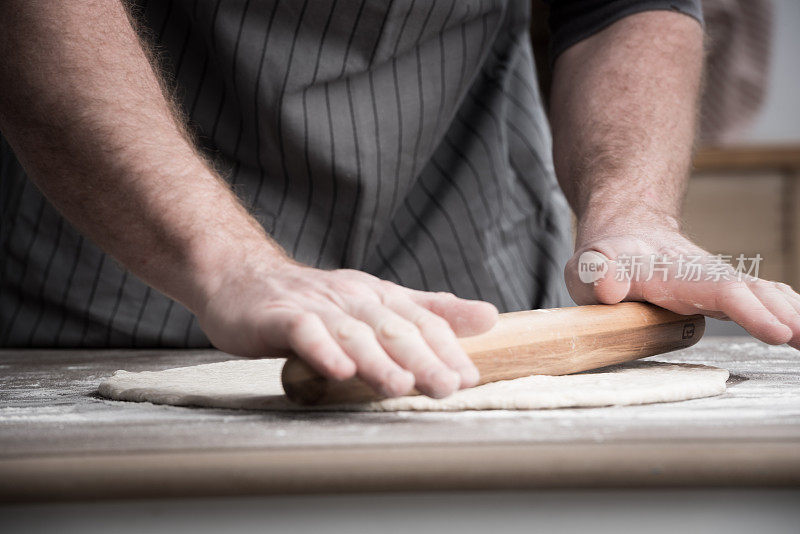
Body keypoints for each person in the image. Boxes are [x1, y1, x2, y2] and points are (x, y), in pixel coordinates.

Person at [1, 0, 798, 400]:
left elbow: (623, 3)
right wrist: (225, 261)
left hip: (475, 295)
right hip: (105, 285)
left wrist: (633, 213)